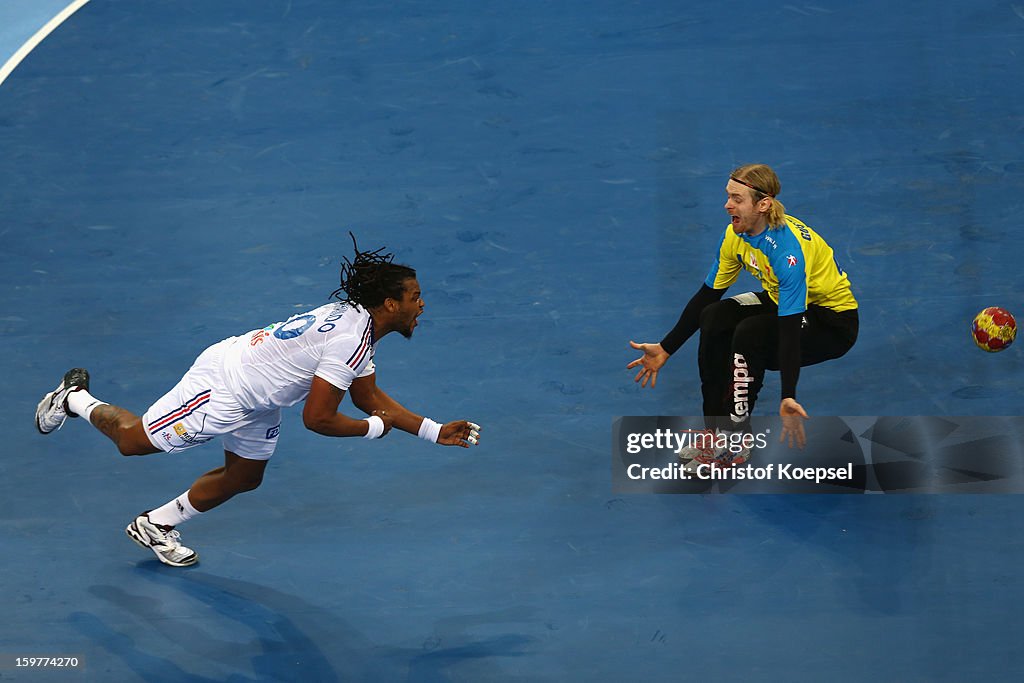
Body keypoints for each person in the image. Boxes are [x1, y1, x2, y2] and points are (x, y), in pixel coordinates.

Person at [35, 235, 482, 567]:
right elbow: (319, 419)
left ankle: (155, 524)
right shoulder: (350, 340)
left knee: (245, 476)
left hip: (258, 397)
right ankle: (74, 397)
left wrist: (432, 430)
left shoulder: (359, 328)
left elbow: (367, 395)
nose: (421, 305)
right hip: (222, 389)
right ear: (389, 303)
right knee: (134, 442)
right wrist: (374, 430)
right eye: (415, 297)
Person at [627, 164, 858, 467]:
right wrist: (666, 347)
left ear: (763, 205)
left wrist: (788, 395)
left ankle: (736, 441)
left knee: (751, 333)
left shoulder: (787, 252)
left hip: (830, 322)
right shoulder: (735, 235)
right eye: (727, 196)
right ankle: (714, 432)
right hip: (783, 301)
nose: (727, 205)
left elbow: (788, 329)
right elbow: (708, 294)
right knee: (715, 316)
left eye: (736, 199)